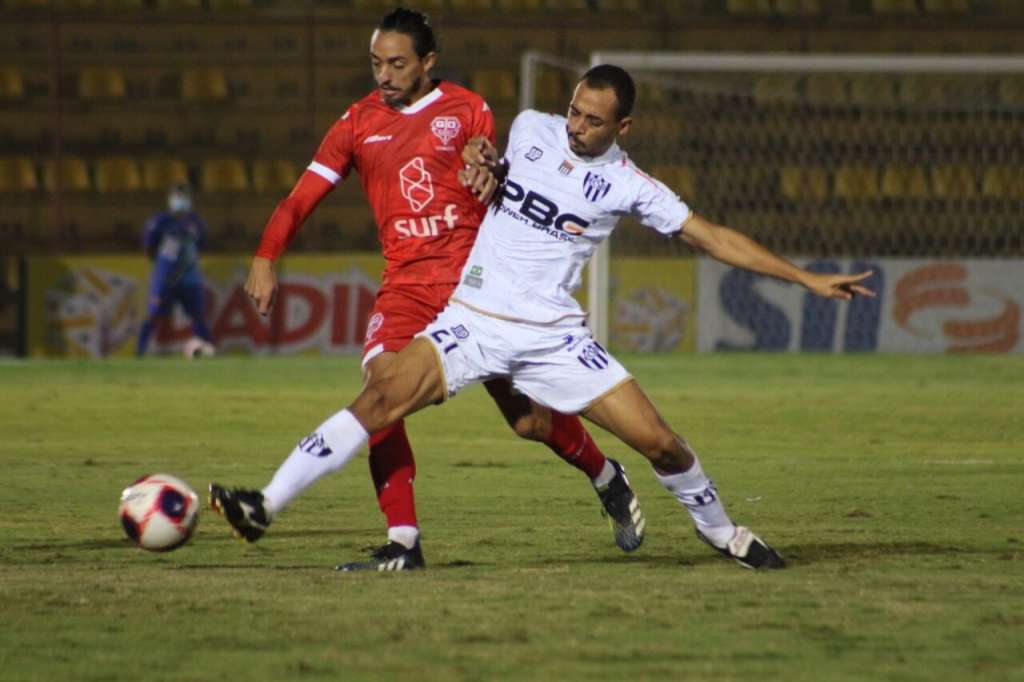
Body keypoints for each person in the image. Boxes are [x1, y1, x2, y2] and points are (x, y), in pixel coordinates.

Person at [210, 63, 877, 570]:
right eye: (573, 111)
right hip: (471, 318)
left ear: (623, 129)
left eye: (592, 121)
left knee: (661, 443)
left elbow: (712, 236)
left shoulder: (629, 185)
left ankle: (724, 533)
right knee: (380, 396)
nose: (575, 126)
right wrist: (480, 162)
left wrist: (804, 278)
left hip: (554, 338)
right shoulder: (532, 127)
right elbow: (480, 155)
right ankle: (264, 504)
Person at [209, 9, 645, 572]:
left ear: (427, 62)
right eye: (375, 63)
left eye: (396, 63)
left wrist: (487, 171)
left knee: (529, 421)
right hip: (407, 289)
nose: (383, 75)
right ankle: (404, 541)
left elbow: (499, 175)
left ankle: (606, 475)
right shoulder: (357, 123)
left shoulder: (467, 109)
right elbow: (300, 197)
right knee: (382, 395)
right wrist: (266, 256)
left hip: (478, 287)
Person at [136, 183, 214, 357]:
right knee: (154, 315)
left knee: (198, 316)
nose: (181, 200)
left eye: (184, 196)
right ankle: (139, 352)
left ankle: (207, 352)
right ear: (170, 199)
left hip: (190, 278)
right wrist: (165, 266)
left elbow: (201, 245)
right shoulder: (159, 222)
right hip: (165, 278)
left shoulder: (196, 223)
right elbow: (149, 248)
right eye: (177, 196)